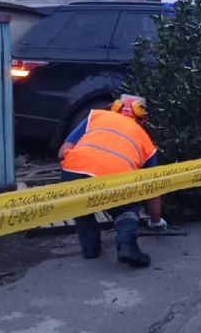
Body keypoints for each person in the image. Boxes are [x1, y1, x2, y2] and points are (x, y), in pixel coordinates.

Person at [56, 94, 163, 268]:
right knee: (127, 206)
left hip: (74, 170)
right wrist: (156, 221)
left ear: (115, 107)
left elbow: (63, 151)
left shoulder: (96, 116)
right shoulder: (146, 141)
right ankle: (127, 245)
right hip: (117, 179)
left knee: (81, 204)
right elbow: (153, 190)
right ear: (142, 118)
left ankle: (90, 249)